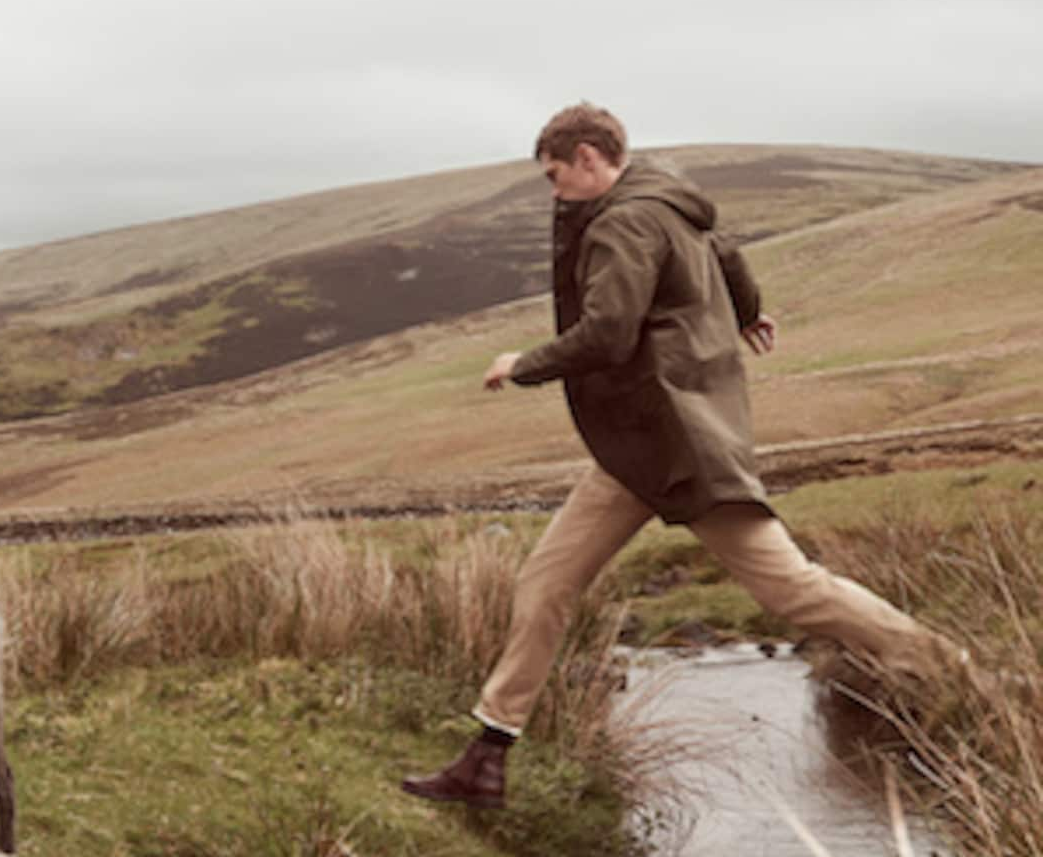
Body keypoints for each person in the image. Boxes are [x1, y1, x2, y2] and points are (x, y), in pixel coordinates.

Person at [402, 101, 964, 811]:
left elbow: (608, 332)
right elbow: (727, 253)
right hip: (641, 447)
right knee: (545, 581)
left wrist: (522, 365)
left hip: (680, 446)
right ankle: (486, 757)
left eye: (556, 176)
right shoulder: (669, 198)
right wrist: (749, 309)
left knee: (792, 587)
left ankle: (960, 674)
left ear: (587, 157)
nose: (555, 194)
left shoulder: (624, 221)